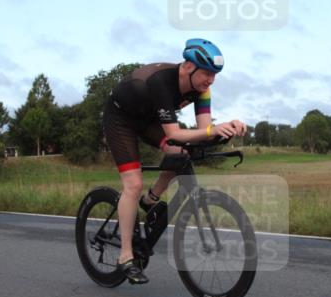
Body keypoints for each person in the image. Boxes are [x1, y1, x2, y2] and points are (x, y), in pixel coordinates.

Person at [102, 39, 247, 284]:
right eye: (207, 74)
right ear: (188, 67)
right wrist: (213, 131)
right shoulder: (161, 82)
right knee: (133, 184)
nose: (210, 81)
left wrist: (227, 128)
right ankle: (125, 257)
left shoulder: (202, 89)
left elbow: (204, 130)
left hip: (148, 120)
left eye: (214, 76)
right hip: (121, 120)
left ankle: (150, 200)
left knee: (180, 154)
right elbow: (174, 134)